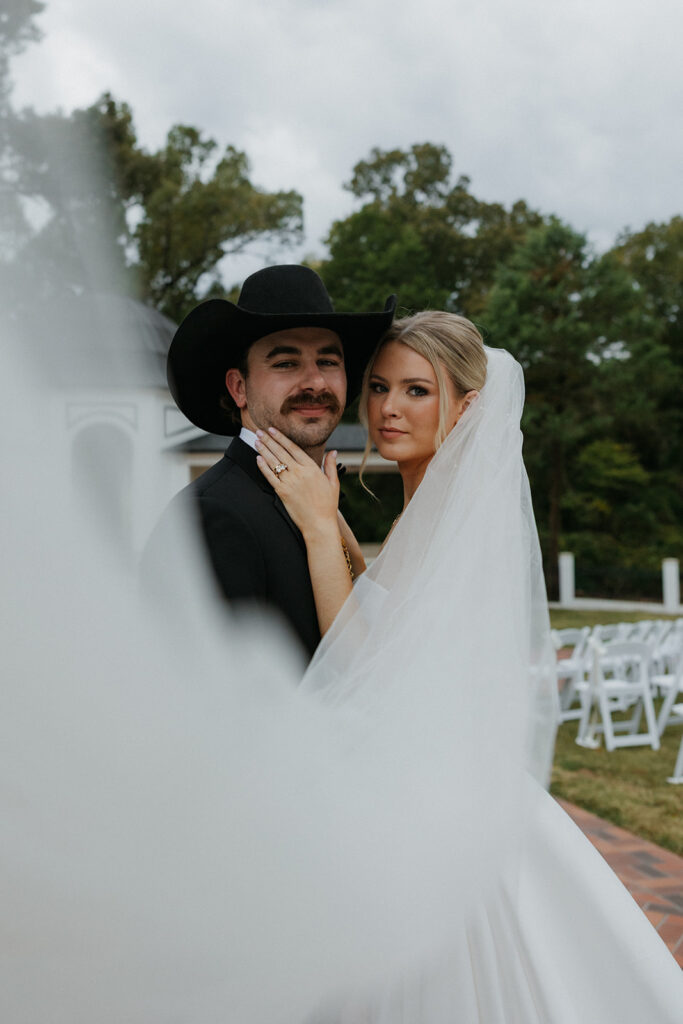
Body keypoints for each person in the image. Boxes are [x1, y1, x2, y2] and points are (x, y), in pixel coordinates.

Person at [254, 310, 683, 1021]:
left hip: (436, 808)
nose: (389, 408)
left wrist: (316, 530)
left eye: (418, 391)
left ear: (469, 405)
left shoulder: (456, 517)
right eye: (381, 386)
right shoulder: (426, 510)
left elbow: (368, 667)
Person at [144, 264, 395, 658]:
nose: (315, 382)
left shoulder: (317, 505)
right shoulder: (210, 516)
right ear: (239, 387)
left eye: (328, 361)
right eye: (286, 363)